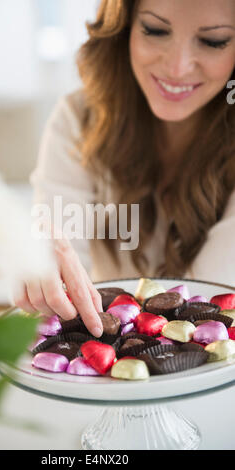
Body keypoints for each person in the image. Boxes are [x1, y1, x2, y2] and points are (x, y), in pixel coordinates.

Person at [14, 0, 235, 338]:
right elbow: (56, 265)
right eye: (155, 30)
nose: (177, 68)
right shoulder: (78, 118)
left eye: (213, 41)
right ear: (124, 27)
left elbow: (215, 309)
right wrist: (37, 259)